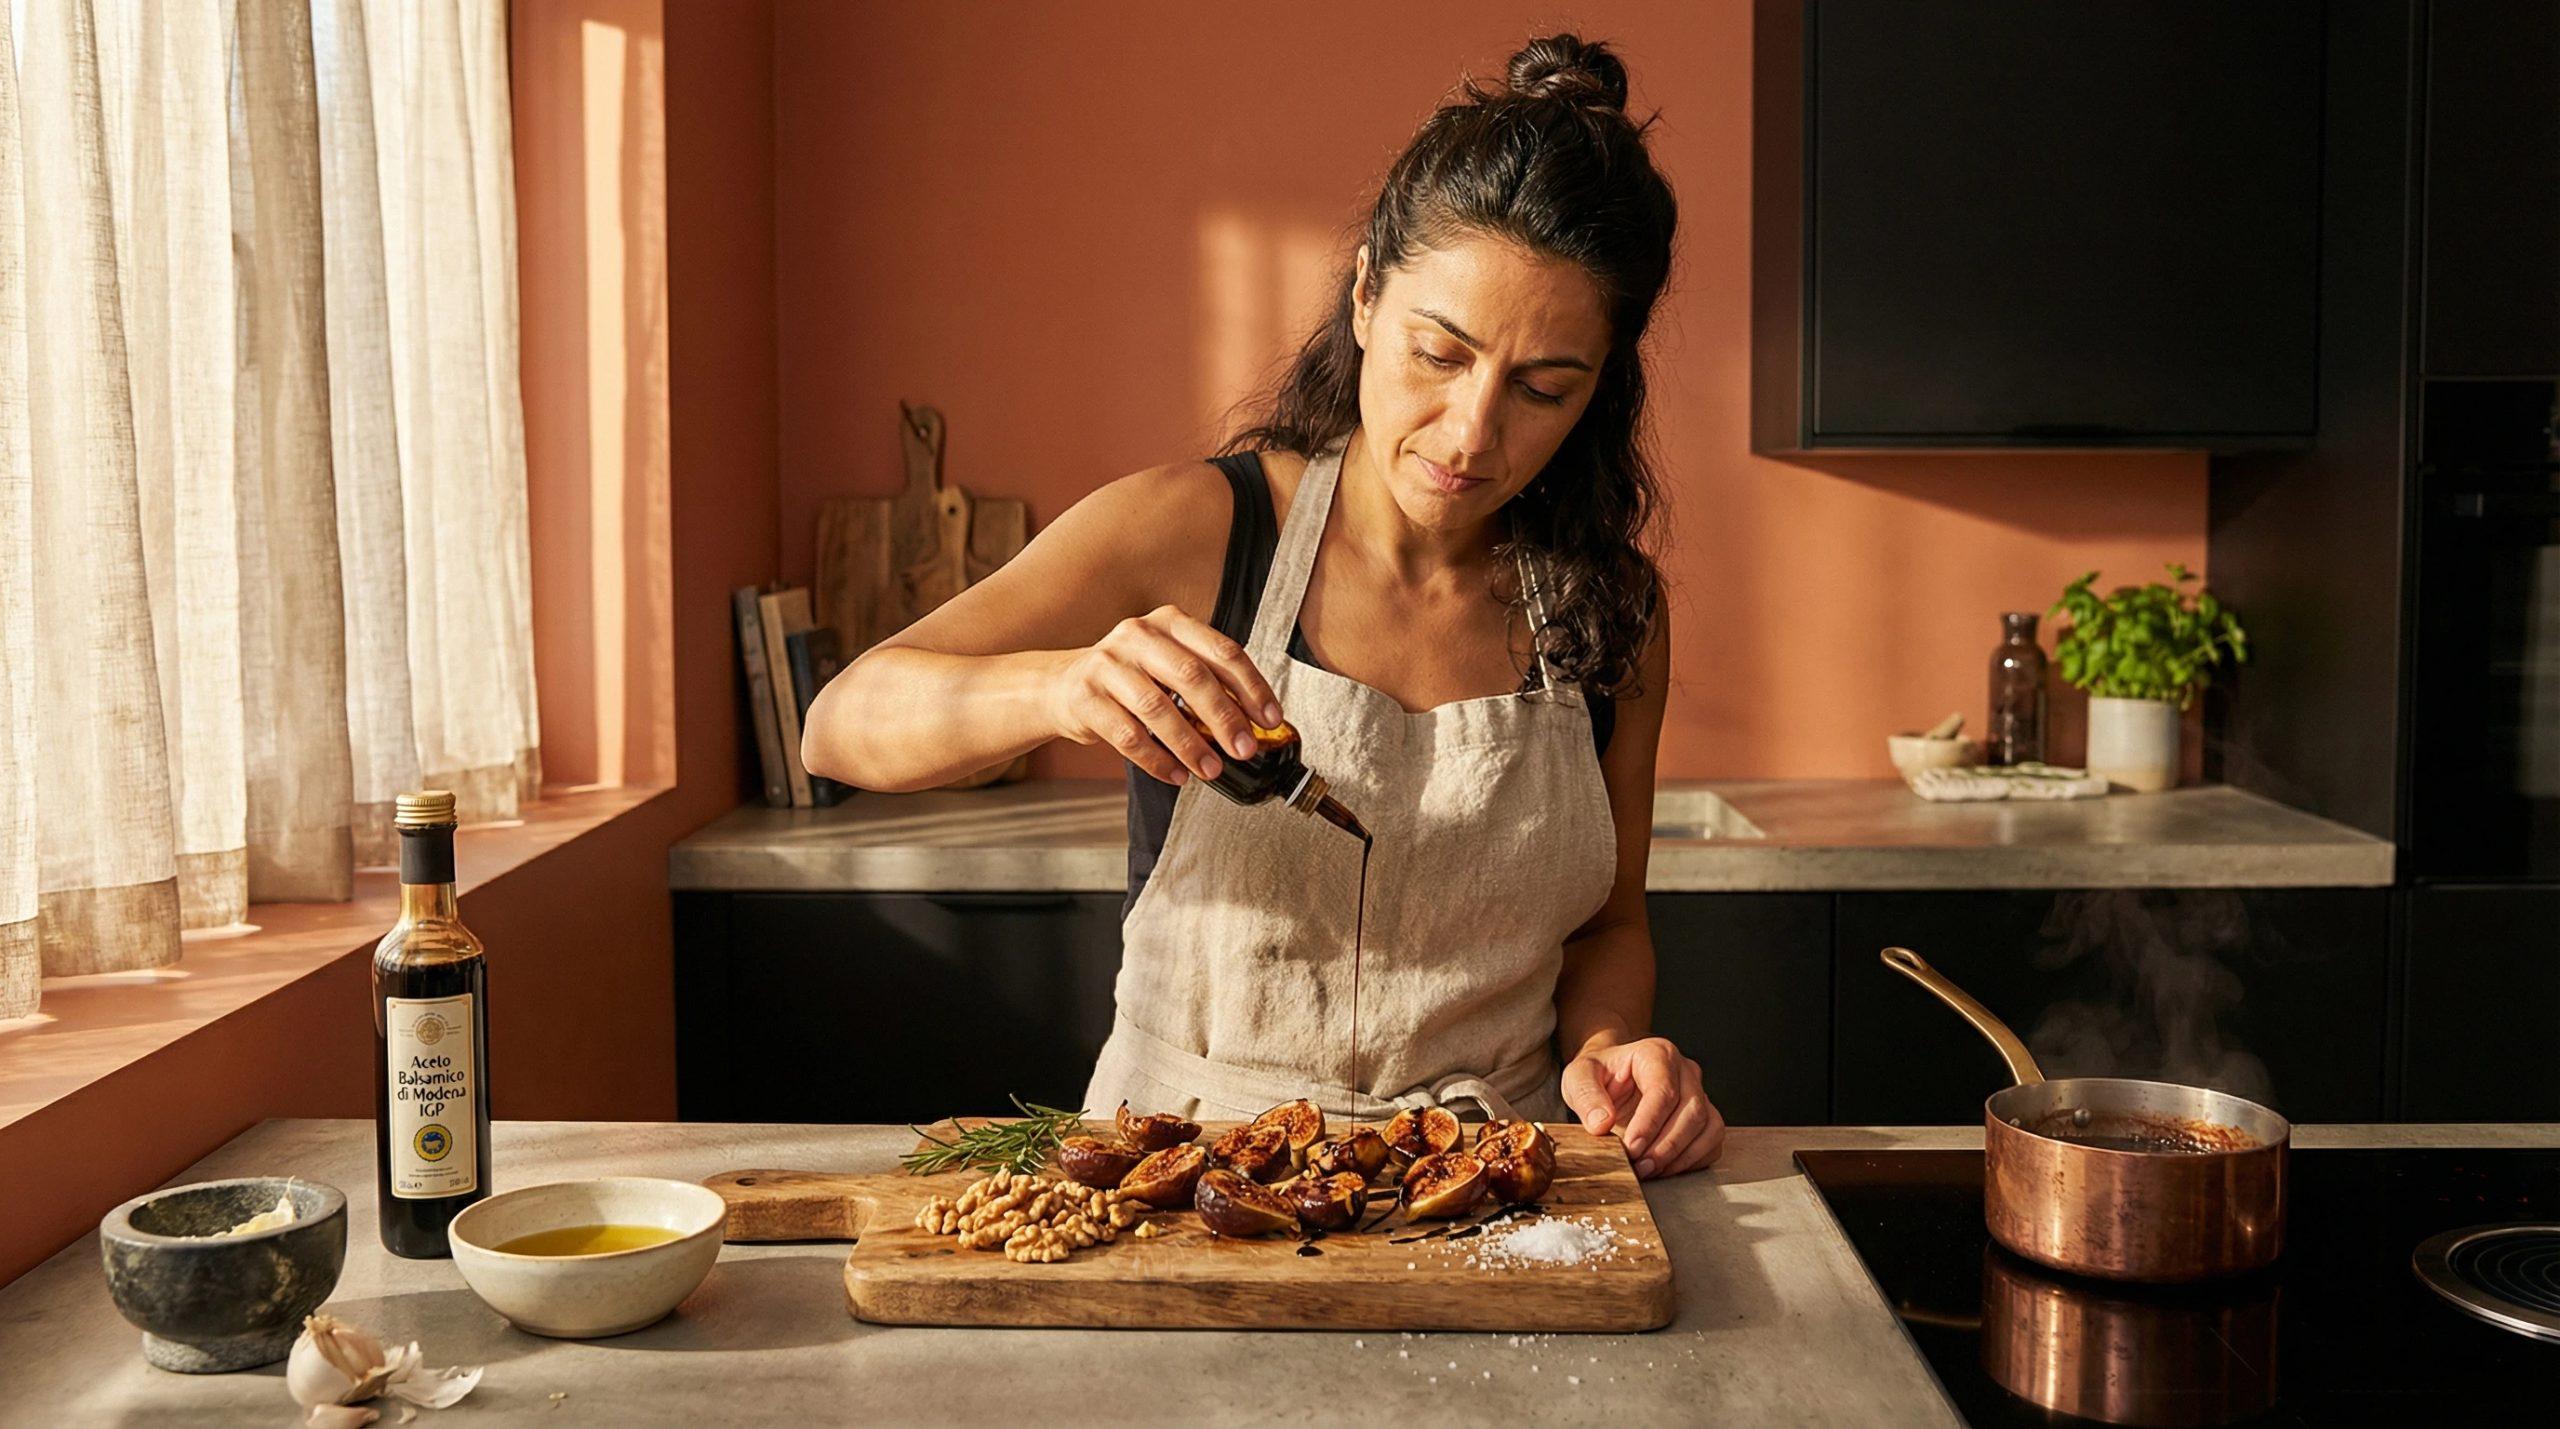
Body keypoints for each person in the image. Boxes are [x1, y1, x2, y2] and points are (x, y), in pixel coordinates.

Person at [806, 34, 1724, 1177]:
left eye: (1542, 387)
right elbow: (840, 723)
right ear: (1364, 296)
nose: (1470, 433)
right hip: (1181, 1173)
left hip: (1487, 1179)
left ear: (1600, 386)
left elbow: (1607, 924)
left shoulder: (1608, 610)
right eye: (1437, 354)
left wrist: (1611, 1049)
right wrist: (1060, 685)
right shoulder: (1195, 530)